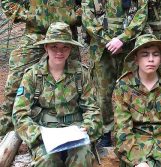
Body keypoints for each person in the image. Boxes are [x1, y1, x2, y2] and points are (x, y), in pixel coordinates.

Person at [0, 0, 84, 135]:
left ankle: (80, 130)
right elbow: (7, 1)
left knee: (78, 81)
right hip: (35, 35)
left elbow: (88, 2)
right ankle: (7, 132)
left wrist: (73, 17)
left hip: (66, 38)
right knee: (15, 80)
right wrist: (31, 16)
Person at [82, 0, 147, 146]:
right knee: (102, 92)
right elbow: (87, 16)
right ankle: (106, 132)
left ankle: (129, 129)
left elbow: (142, 13)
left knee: (130, 88)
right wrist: (107, 40)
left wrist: (122, 38)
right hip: (101, 48)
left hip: (126, 47)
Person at [12, 22, 102, 166]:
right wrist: (38, 134)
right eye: (54, 46)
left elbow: (93, 108)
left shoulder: (81, 73)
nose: (59, 52)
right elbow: (19, 114)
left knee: (82, 157)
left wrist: (88, 127)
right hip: (44, 133)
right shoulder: (33, 75)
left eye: (64, 47)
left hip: (76, 132)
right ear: (46, 47)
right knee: (48, 160)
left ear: (70, 48)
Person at [113, 34, 161, 167]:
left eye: (155, 54)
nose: (151, 59)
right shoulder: (123, 86)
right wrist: (138, 161)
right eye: (144, 54)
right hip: (136, 146)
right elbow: (122, 130)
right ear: (136, 59)